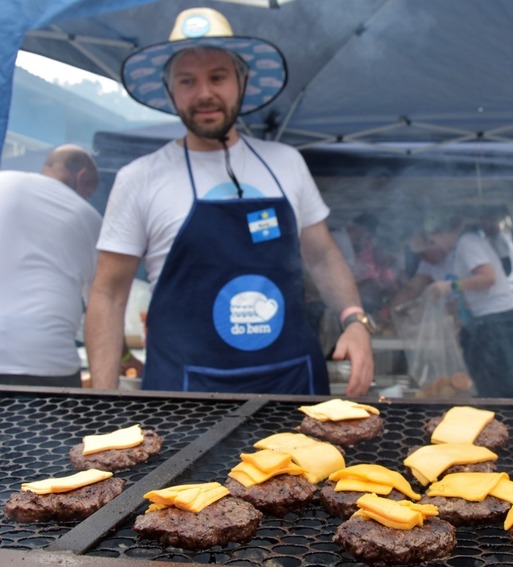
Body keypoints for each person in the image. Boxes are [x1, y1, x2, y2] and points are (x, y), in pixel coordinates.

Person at [84, 8, 372, 395]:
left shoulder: (286, 163)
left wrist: (355, 321)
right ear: (171, 92)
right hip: (184, 393)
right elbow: (108, 293)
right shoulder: (140, 178)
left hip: (291, 384)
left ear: (242, 81)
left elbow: (321, 255)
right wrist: (104, 402)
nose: (204, 93)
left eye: (217, 77)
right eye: (188, 81)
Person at [391, 213, 513, 398]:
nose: (433, 248)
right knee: (487, 388)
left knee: (497, 393)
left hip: (500, 323)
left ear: (439, 234)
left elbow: (488, 278)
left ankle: (501, 423)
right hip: (489, 323)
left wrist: (450, 286)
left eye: (432, 243)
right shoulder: (461, 248)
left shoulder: (467, 242)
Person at [0, 145, 101, 387]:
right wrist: (125, 357)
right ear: (81, 177)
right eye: (89, 192)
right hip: (46, 362)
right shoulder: (88, 216)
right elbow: (102, 305)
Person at [478, 206, 513, 293]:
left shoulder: (499, 240)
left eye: (489, 221)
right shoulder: (488, 239)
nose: (484, 225)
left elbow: (506, 267)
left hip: (506, 288)